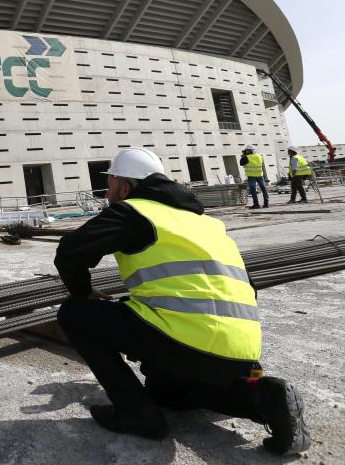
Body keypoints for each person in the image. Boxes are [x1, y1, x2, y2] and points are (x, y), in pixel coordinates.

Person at [54, 147, 310, 455]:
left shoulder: (133, 210)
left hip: (185, 341)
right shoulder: (207, 224)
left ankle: (138, 414)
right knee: (167, 394)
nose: (107, 193)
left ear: (125, 186)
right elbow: (248, 288)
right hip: (244, 354)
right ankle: (264, 399)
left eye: (110, 184)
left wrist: (83, 292)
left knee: (74, 313)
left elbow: (69, 251)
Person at [240, 145, 269, 209]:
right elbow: (262, 165)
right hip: (260, 175)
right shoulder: (260, 156)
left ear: (250, 150)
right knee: (264, 189)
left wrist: (244, 156)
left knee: (253, 190)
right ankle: (266, 204)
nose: (246, 151)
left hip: (252, 176)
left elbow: (241, 163)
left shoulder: (247, 157)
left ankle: (256, 204)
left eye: (247, 150)